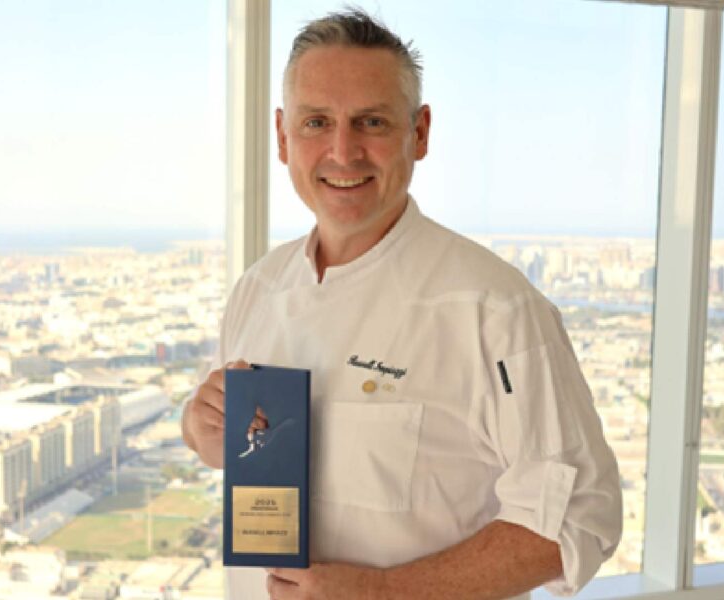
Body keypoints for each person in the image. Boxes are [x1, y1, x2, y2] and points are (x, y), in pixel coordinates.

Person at [182, 9, 622, 599]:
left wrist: (382, 592)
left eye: (372, 122)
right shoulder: (257, 290)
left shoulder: (494, 309)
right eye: (317, 122)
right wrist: (201, 430)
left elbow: (579, 518)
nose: (343, 152)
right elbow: (234, 447)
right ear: (284, 137)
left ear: (419, 133)